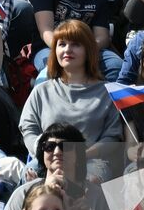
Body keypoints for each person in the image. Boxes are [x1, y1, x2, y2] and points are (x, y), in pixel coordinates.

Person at [19, 21, 121, 160]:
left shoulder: (107, 93)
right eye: (62, 44)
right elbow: (28, 128)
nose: (67, 50)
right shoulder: (41, 91)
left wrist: (81, 157)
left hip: (90, 164)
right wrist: (47, 154)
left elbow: (112, 136)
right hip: (47, 162)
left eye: (75, 44)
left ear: (88, 50)